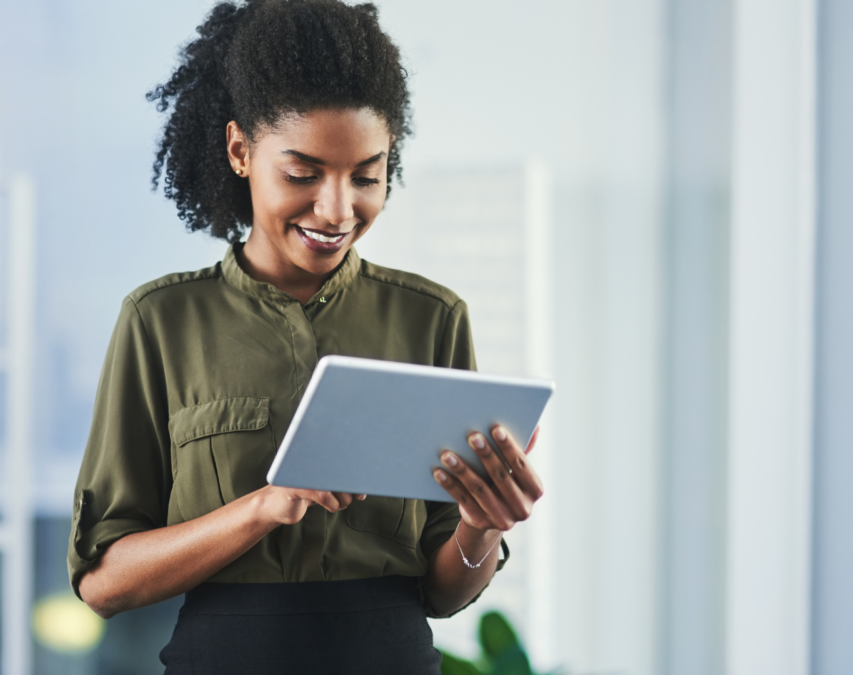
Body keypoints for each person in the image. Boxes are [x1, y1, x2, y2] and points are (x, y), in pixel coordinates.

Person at [68, 1, 544, 672]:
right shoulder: (161, 322)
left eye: (367, 176)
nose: (338, 209)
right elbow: (103, 582)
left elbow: (442, 593)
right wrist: (264, 508)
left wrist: (482, 523)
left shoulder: (432, 319)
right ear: (240, 150)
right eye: (303, 173)